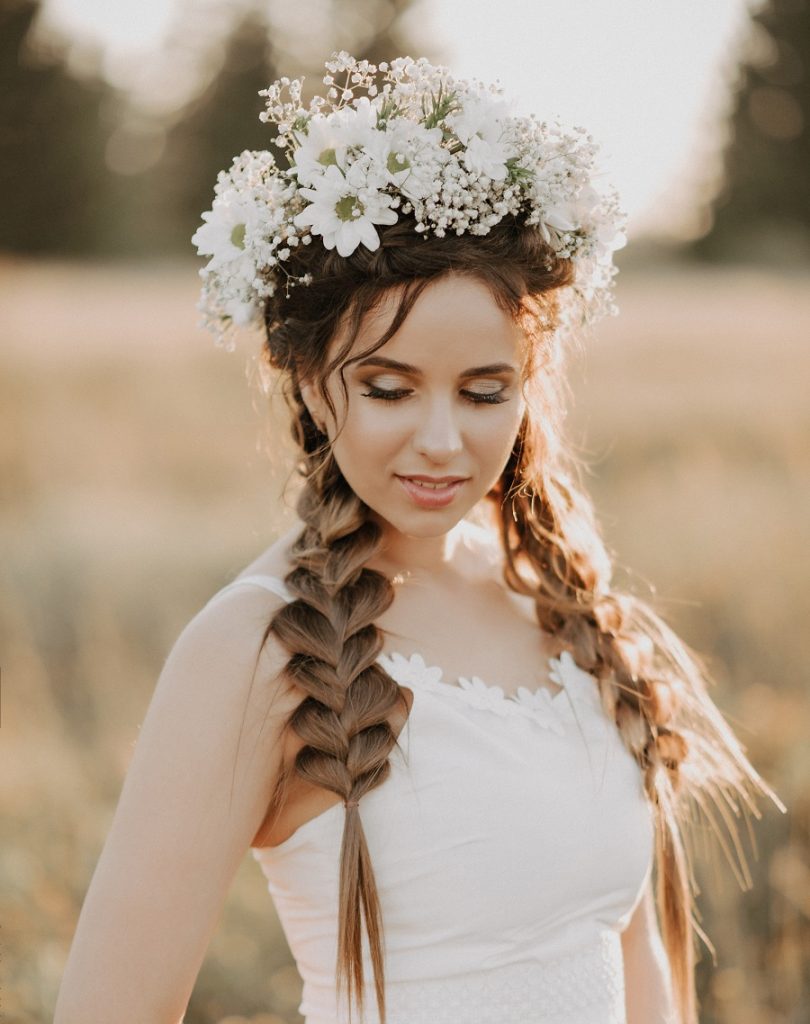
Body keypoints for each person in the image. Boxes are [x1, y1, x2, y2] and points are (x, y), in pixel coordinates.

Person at [54, 53, 785, 1024]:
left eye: (485, 391)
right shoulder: (253, 647)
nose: (442, 441)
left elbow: (635, 963)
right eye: (390, 389)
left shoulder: (563, 611)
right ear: (314, 384)